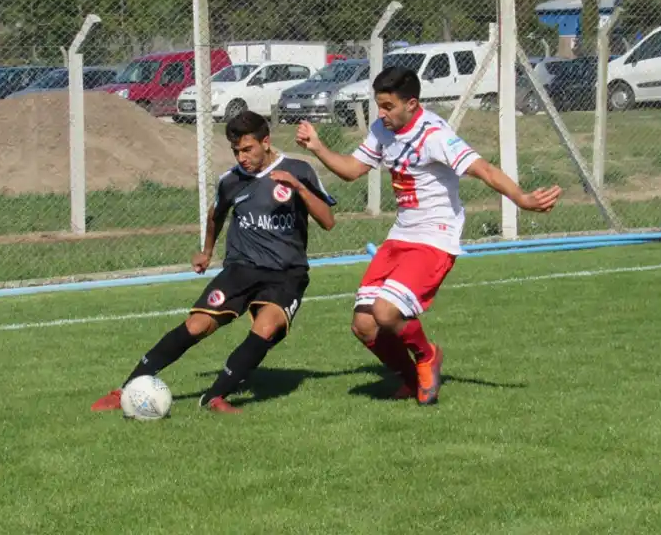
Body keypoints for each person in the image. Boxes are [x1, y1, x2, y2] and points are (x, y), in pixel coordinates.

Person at [295, 67, 561, 406]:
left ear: (412, 104)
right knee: (363, 324)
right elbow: (351, 170)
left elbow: (485, 169)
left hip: (434, 238)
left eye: (388, 106)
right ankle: (411, 379)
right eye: (379, 105)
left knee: (386, 312)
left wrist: (522, 199)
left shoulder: (434, 134)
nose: (381, 114)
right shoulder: (382, 130)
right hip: (401, 236)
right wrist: (317, 147)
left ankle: (427, 356)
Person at [91, 111, 337, 414]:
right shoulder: (231, 181)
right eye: (236, 151)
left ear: (266, 142)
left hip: (287, 273)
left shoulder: (299, 170)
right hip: (241, 269)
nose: (242, 158)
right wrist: (206, 252)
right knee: (197, 325)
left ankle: (215, 397)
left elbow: (328, 221)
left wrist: (298, 188)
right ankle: (125, 390)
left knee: (266, 326)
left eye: (247, 149)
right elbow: (215, 215)